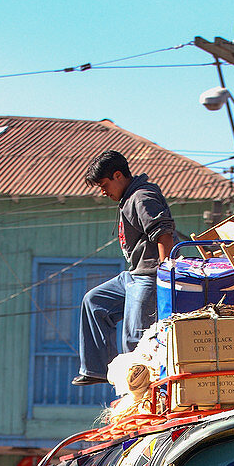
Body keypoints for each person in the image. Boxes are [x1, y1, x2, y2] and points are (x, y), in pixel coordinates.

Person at [74, 150, 175, 386]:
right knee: (94, 301)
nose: (103, 191)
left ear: (118, 175)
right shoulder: (128, 198)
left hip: (150, 275)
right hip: (133, 274)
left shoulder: (142, 197)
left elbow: (163, 233)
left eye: (104, 184)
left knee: (135, 339)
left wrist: (165, 271)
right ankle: (97, 370)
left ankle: (139, 391)